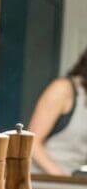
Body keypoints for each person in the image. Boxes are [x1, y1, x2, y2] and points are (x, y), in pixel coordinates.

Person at [28, 46, 87, 176]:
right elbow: (33, 143)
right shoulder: (63, 89)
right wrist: (62, 179)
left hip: (75, 180)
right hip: (45, 180)